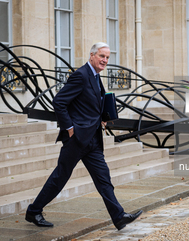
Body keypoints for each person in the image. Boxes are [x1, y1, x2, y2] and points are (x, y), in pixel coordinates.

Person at [25, 42, 142, 230]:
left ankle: (118, 217)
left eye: (107, 58)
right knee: (60, 178)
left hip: (93, 139)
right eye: (102, 56)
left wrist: (103, 117)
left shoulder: (96, 76)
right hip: (77, 139)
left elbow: (91, 103)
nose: (105, 60)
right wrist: (70, 128)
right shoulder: (81, 75)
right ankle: (33, 211)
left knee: (103, 178)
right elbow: (59, 102)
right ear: (92, 55)